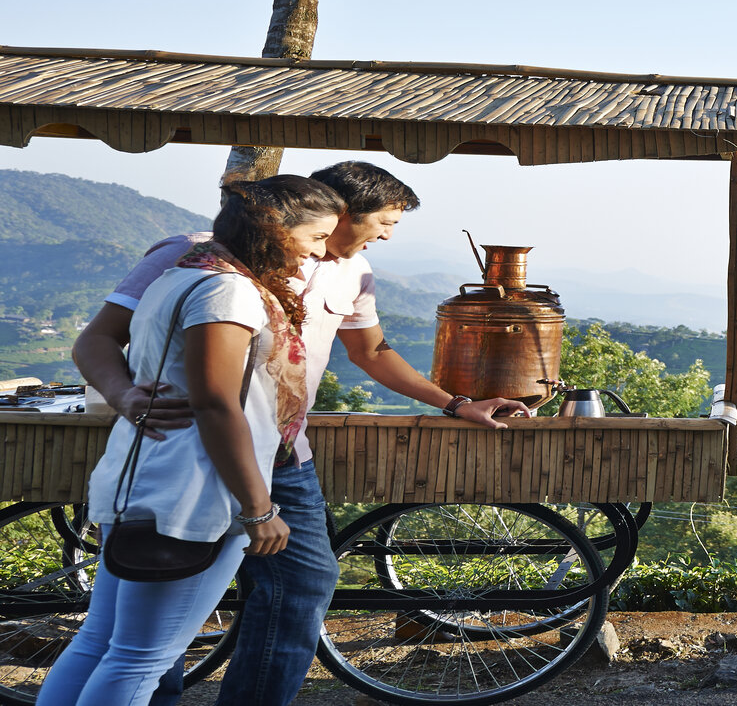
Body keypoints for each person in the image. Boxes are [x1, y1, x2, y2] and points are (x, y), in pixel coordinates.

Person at [69, 160, 530, 706]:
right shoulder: (204, 262)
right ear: (336, 213)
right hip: (197, 458)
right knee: (149, 630)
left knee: (301, 585)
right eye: (385, 222)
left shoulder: (352, 272)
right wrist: (125, 397)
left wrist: (456, 404)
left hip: (285, 455)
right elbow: (101, 341)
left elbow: (372, 351)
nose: (386, 236)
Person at [39, 176, 339, 704]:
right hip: (194, 490)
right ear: (275, 230)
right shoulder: (229, 290)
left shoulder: (180, 274)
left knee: (101, 642)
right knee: (141, 658)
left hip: (146, 475)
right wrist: (259, 509)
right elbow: (216, 403)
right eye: (315, 237)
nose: (320, 252)